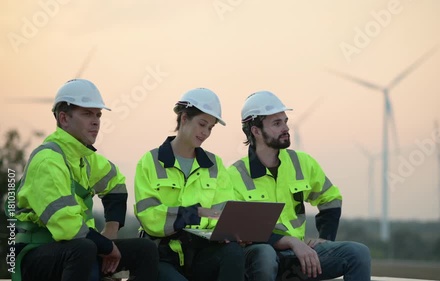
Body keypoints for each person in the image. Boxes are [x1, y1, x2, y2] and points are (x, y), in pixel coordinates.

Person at [13, 78, 159, 281]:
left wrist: (110, 231)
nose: (96, 121)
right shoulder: (47, 160)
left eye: (98, 115)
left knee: (145, 249)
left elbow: (115, 183)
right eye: (87, 114)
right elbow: (67, 227)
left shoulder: (85, 158)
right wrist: (107, 246)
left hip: (78, 248)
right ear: (64, 119)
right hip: (36, 254)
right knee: (85, 248)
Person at [227, 91, 372, 281]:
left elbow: (330, 199)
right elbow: (239, 230)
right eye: (277, 123)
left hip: (298, 257)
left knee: (358, 253)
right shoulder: (234, 175)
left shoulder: (302, 162)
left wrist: (325, 237)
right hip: (260, 259)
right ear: (255, 130)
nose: (286, 128)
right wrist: (290, 242)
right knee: (265, 255)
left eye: (285, 121)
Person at [134, 88, 245, 281]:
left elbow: (222, 213)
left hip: (201, 253)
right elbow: (150, 217)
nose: (206, 133)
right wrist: (195, 213)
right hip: (163, 254)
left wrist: (226, 232)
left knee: (233, 252)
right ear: (184, 118)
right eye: (202, 124)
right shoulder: (150, 161)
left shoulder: (215, 165)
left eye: (210, 128)